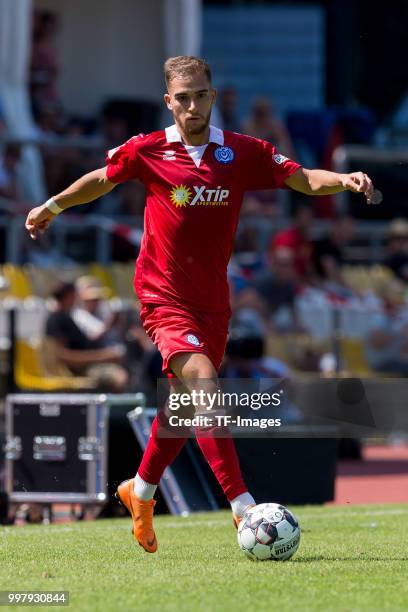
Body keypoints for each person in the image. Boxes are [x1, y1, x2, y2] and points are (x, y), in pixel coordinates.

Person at [25, 55, 375, 554]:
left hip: (214, 301)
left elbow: (299, 178)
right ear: (169, 101)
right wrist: (51, 206)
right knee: (205, 387)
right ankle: (243, 509)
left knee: (185, 406)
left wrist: (345, 180)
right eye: (182, 98)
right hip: (163, 296)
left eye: (201, 95)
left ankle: (140, 491)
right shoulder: (147, 150)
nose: (193, 106)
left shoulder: (241, 151)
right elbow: (102, 179)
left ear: (212, 95)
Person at [44, 281, 128, 391]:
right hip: (79, 369)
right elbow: (62, 356)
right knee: (120, 377)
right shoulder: (56, 319)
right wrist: (101, 357)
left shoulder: (67, 316)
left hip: (88, 364)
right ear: (68, 295)